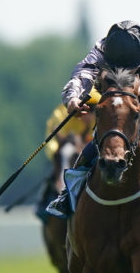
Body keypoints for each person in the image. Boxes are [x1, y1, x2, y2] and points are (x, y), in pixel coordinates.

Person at [47, 20, 140, 231]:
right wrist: (73, 99)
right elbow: (82, 73)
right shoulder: (102, 48)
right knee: (101, 138)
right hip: (115, 103)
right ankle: (68, 193)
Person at [35, 88, 100, 220]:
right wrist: (55, 152)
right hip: (63, 148)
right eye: (88, 108)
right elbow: (52, 139)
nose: (90, 113)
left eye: (94, 109)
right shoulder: (60, 114)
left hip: (86, 149)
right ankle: (43, 204)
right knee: (55, 168)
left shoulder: (101, 114)